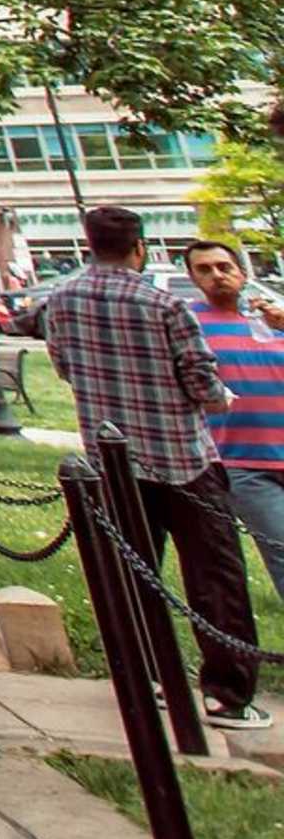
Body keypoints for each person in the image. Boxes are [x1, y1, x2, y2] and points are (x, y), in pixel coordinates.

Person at [10, 206, 268, 728]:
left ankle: (149, 676)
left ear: (89, 245)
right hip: (183, 461)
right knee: (215, 580)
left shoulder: (62, 300)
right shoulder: (165, 304)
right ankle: (227, 695)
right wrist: (222, 398)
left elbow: (63, 366)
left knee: (132, 571)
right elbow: (200, 381)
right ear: (140, 247)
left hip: (113, 463)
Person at [181, 240, 284, 610]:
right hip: (243, 464)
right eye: (204, 270)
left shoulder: (271, 319)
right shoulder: (188, 324)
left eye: (224, 267)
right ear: (192, 278)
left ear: (242, 272)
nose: (217, 276)